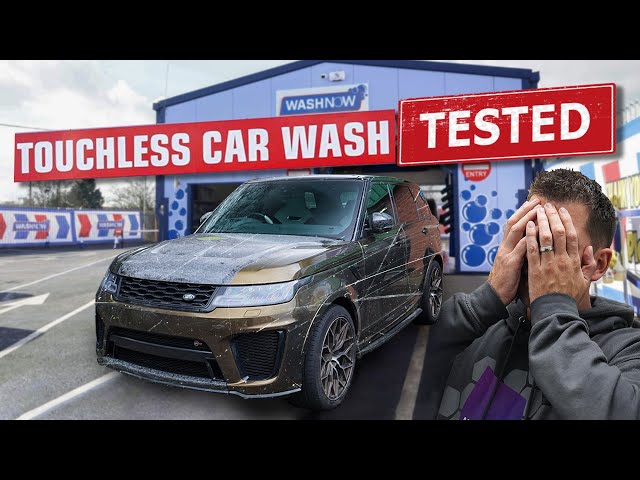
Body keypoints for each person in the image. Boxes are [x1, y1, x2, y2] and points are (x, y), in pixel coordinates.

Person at [422, 168, 640, 420]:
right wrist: (482, 303)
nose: (534, 257)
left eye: (556, 245)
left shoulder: (627, 349)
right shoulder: (477, 327)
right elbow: (390, 363)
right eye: (528, 236)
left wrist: (553, 307)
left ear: (599, 264)